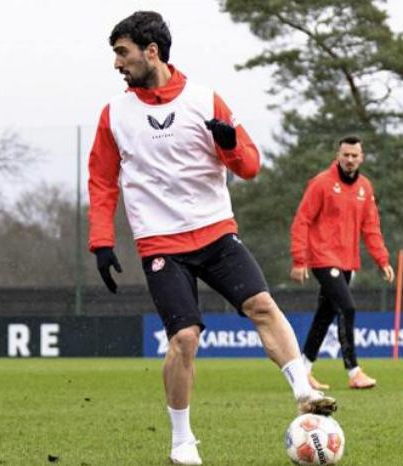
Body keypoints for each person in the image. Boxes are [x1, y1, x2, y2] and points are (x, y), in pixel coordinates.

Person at [88, 11, 335, 465]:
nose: (117, 63)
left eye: (122, 53)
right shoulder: (114, 115)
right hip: (161, 243)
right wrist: (101, 241)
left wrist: (229, 143)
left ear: (151, 52)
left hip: (216, 232)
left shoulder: (204, 100)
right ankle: (182, 442)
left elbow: (250, 166)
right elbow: (102, 182)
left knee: (262, 305)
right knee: (184, 338)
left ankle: (304, 390)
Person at [290, 136, 394, 390]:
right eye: (345, 155)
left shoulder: (365, 188)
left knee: (324, 315)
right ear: (337, 156)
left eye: (354, 156)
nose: (349, 160)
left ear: (361, 158)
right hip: (322, 258)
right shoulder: (321, 183)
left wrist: (382, 259)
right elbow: (302, 220)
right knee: (347, 308)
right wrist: (299, 259)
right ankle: (354, 371)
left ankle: (303, 370)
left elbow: (371, 227)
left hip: (348, 261)